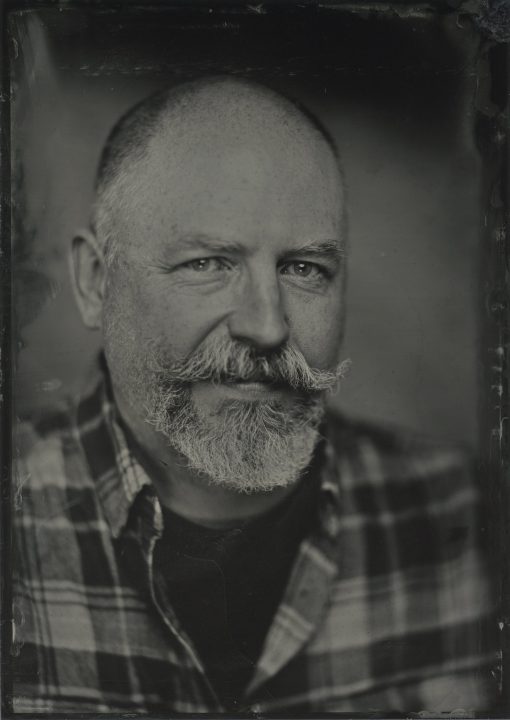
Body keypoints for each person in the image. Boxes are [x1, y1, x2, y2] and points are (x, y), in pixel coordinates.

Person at [12, 76, 496, 714]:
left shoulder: (464, 517)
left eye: (304, 269)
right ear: (96, 281)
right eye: (208, 263)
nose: (266, 325)